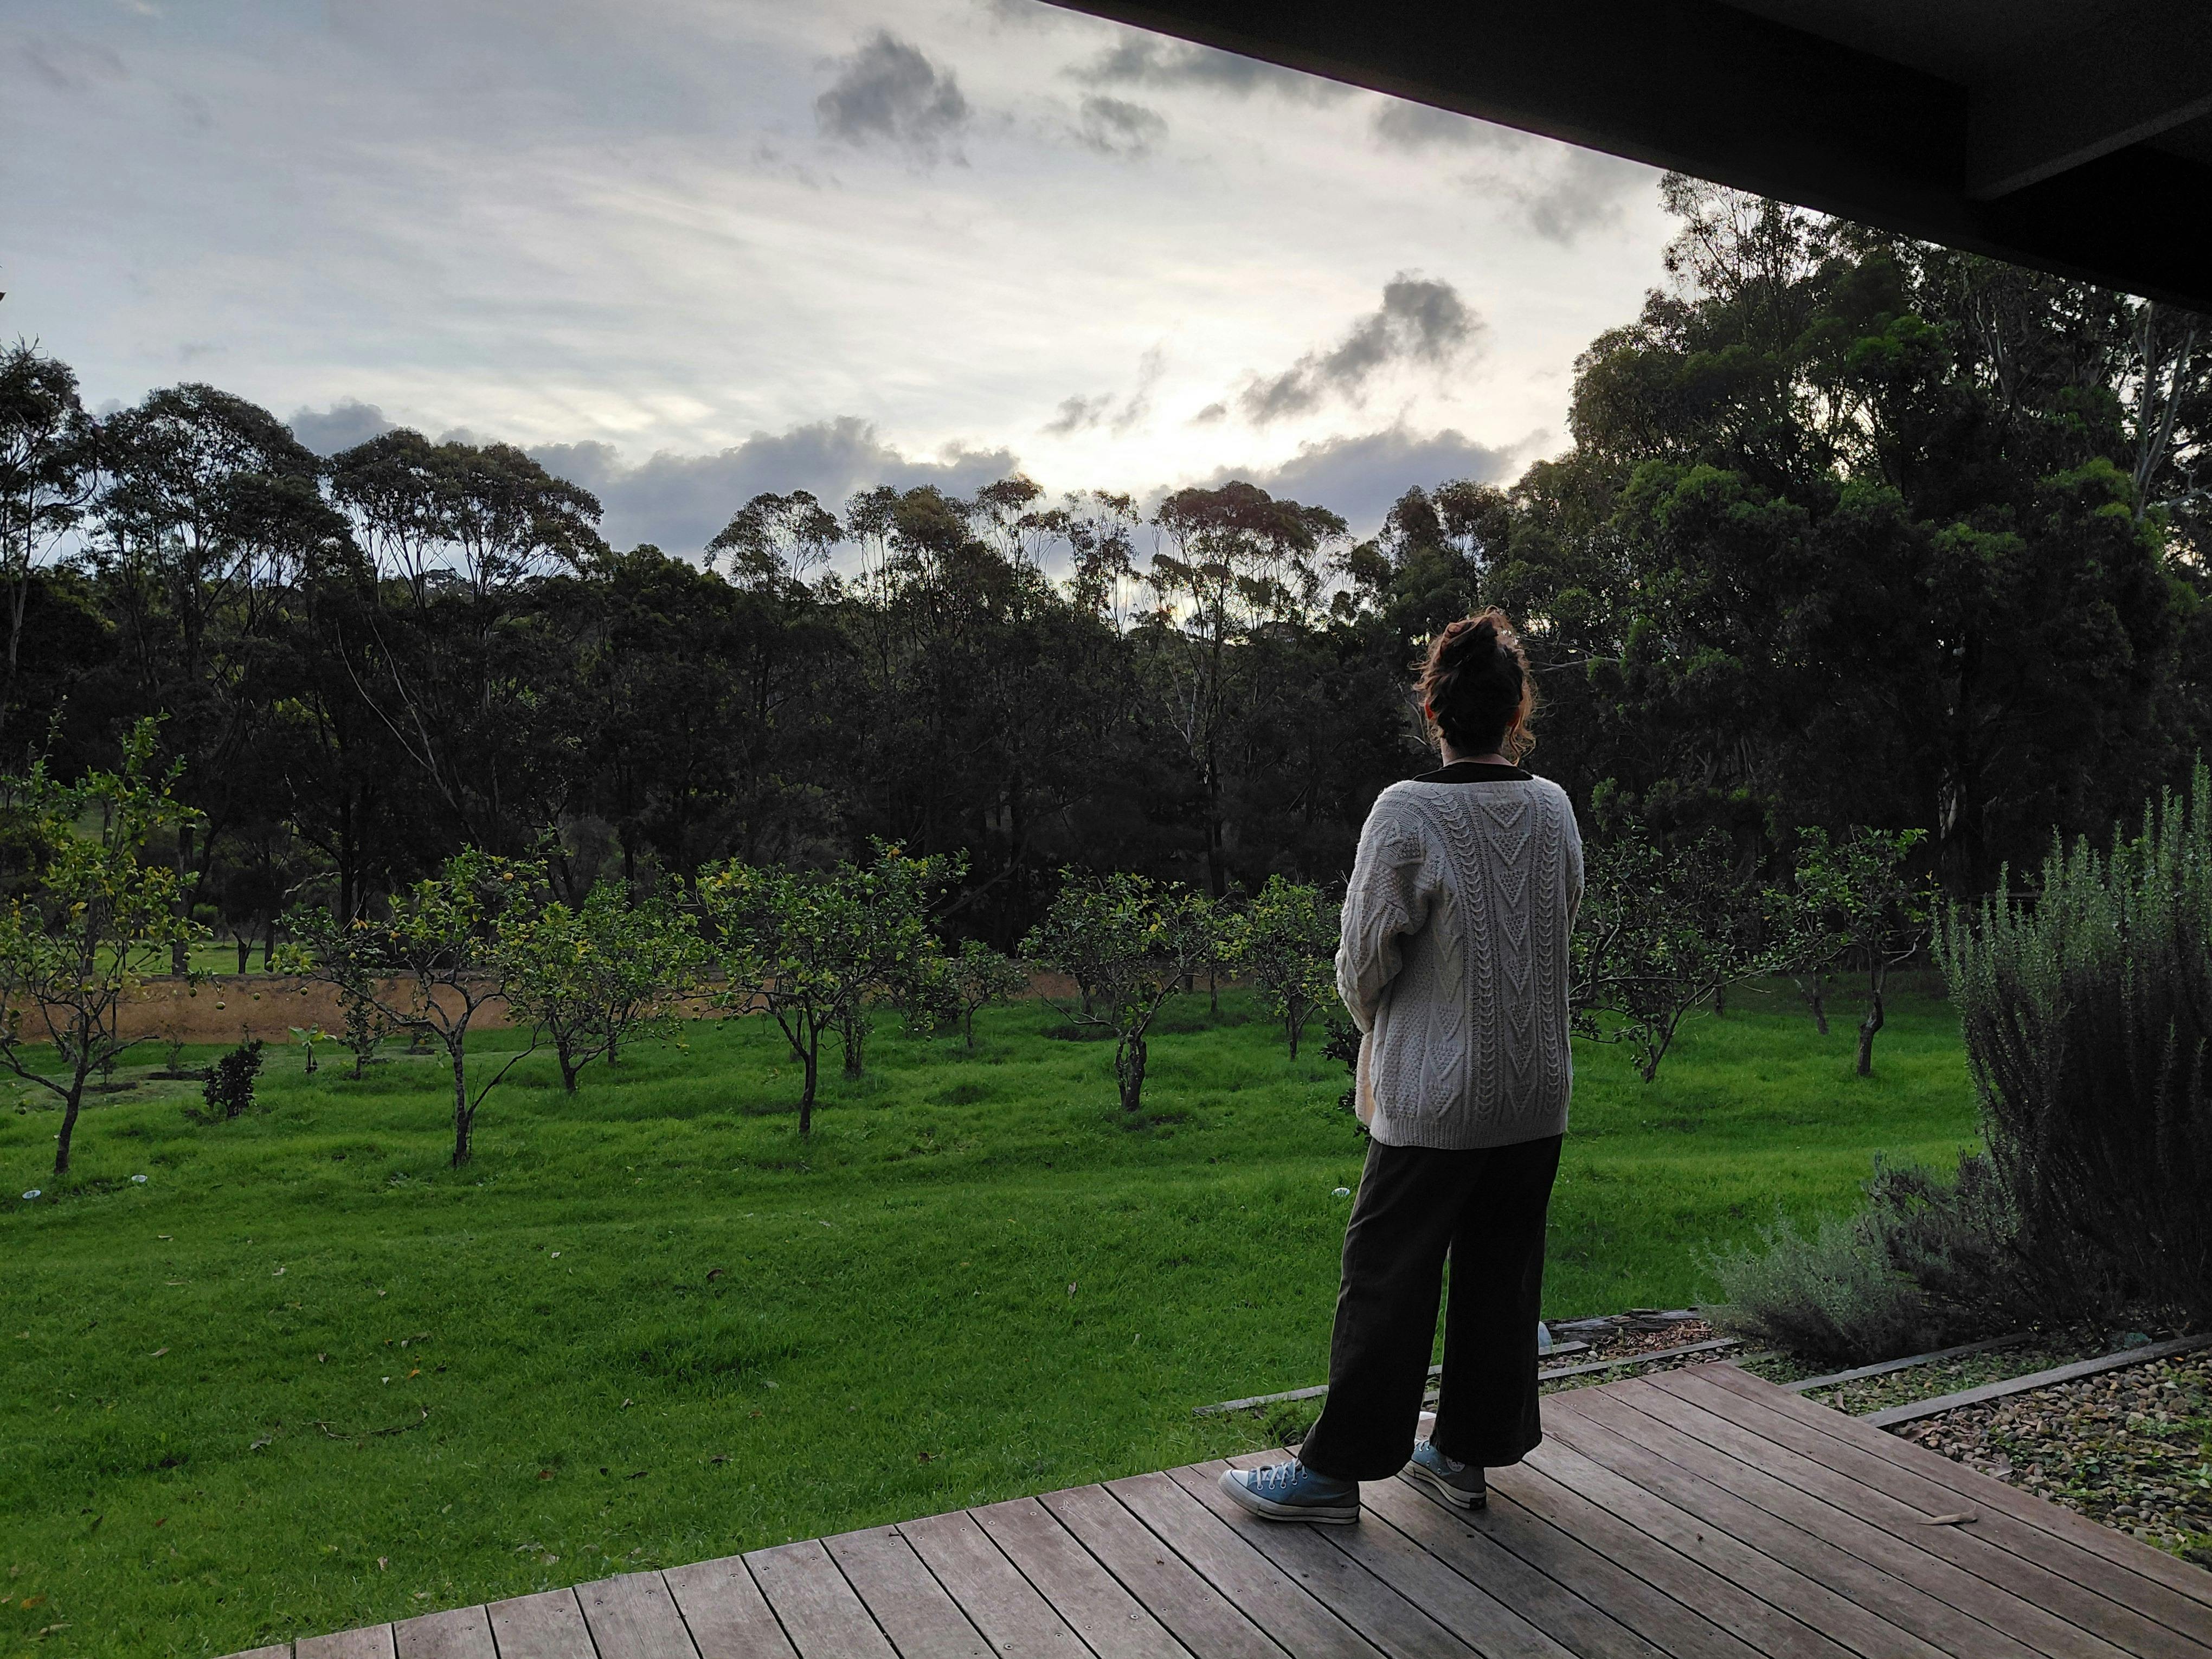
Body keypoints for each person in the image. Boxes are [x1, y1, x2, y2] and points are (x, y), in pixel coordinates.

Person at [1221, 609, 1583, 1524]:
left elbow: (1362, 963)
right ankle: (1462, 1457)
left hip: (1437, 1098)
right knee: (1502, 1281)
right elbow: (1560, 917)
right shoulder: (1552, 807)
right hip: (1536, 1090)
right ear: (1515, 713)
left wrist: (1392, 1031)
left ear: (1436, 713)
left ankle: (1332, 1475)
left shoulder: (1408, 812)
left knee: (1385, 1275)